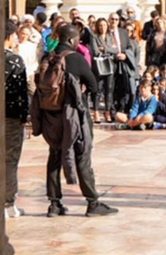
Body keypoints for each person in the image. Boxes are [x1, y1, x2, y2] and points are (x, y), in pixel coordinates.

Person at [30, 23, 117, 217]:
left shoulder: (48, 57)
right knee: (82, 155)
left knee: (54, 156)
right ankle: (92, 202)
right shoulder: (76, 58)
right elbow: (94, 85)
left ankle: (54, 204)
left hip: (50, 116)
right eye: (77, 38)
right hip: (74, 117)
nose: (79, 42)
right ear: (71, 40)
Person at [2, 19, 28, 219]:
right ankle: (8, 203)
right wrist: (24, 117)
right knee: (9, 160)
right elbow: (21, 92)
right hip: (9, 116)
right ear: (10, 37)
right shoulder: (14, 61)